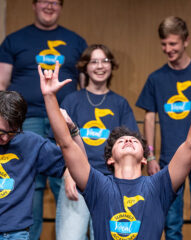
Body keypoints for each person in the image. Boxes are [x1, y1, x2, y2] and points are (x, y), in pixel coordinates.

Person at [39, 56, 191, 238]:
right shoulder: (99, 186)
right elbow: (66, 143)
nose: (128, 140)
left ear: (144, 158)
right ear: (110, 159)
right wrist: (49, 96)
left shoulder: (159, 185)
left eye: (134, 141)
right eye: (121, 141)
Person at [0, 0, 87, 239]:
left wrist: (74, 121)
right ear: (34, 4)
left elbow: (83, 86)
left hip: (61, 114)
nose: (49, 6)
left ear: (61, 6)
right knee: (27, 182)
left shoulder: (76, 41)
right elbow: (1, 83)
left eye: (55, 2)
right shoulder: (14, 40)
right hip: (22, 120)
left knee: (66, 178)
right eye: (44, 1)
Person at [135, 16, 191, 239]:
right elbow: (149, 118)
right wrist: (151, 156)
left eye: (173, 44)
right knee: (171, 222)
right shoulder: (156, 78)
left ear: (186, 41)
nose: (168, 49)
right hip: (167, 159)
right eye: (164, 44)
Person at [52, 44, 139, 240]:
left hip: (111, 184)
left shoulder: (121, 104)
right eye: (94, 62)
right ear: (85, 67)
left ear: (111, 66)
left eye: (105, 61)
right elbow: (59, 141)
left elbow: (132, 144)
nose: (100, 66)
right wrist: (68, 173)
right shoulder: (71, 100)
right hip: (77, 180)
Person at [0, 90, 66, 240]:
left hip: (16, 233)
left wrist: (71, 131)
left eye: (11, 133)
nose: (4, 138)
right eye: (0, 132)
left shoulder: (32, 143)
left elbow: (68, 166)